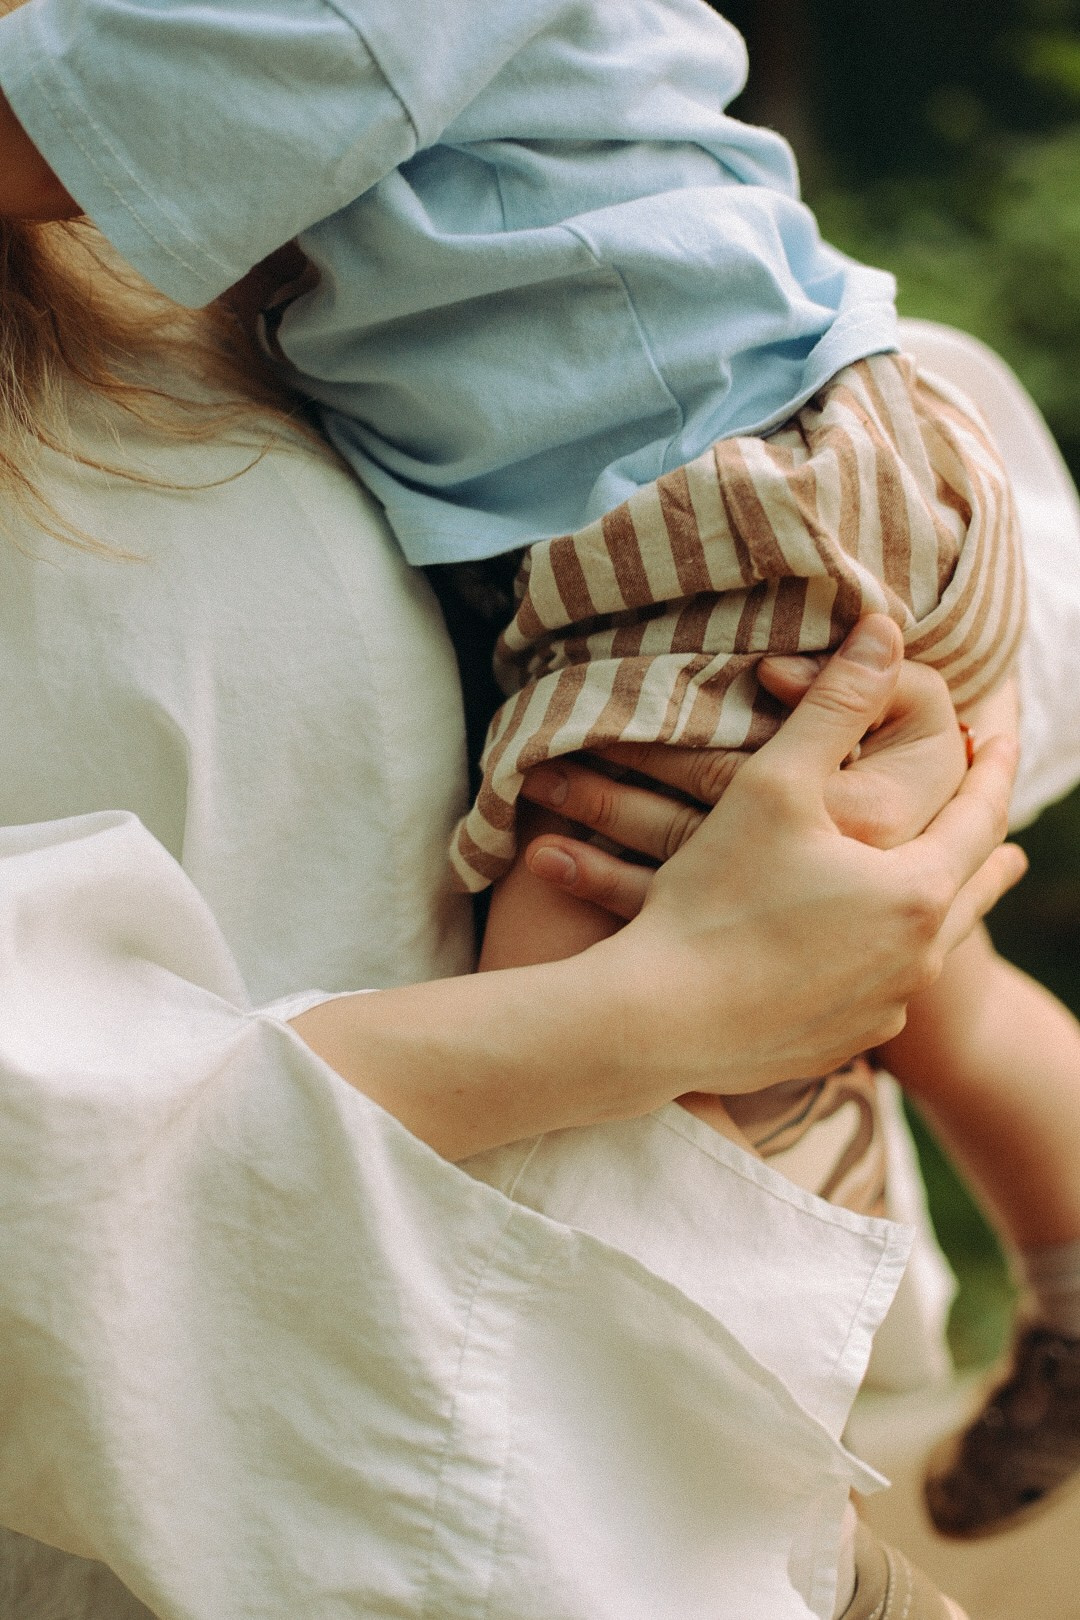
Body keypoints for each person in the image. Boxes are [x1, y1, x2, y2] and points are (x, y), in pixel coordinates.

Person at [1, 0, 1078, 1550]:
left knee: (592, 1095)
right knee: (894, 985)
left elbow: (51, 131)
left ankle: (731, 1512)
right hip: (744, 467)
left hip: (706, 500)